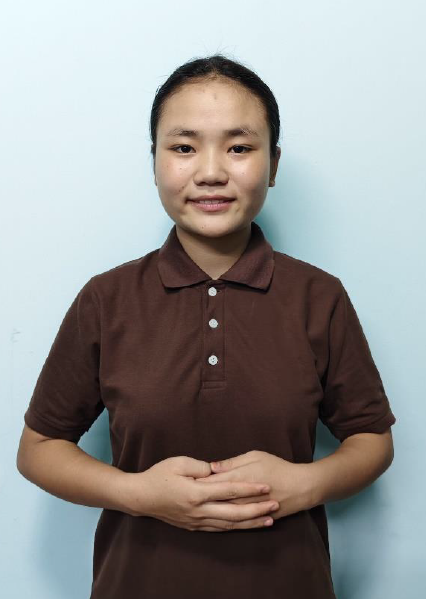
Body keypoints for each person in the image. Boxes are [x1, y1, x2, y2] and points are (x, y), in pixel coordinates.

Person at [17, 54, 396, 599]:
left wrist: (305, 483)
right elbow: (39, 448)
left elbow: (372, 439)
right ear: (154, 161)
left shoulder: (319, 297)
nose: (212, 171)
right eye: (183, 147)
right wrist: (139, 494)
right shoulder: (106, 299)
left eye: (239, 147)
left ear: (274, 164)